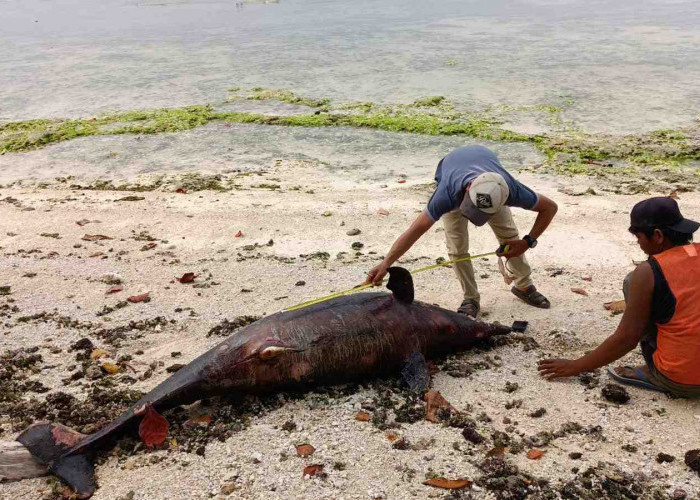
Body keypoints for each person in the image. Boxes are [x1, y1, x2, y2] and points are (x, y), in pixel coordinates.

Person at [364, 145, 558, 318]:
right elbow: (415, 230)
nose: (474, 218)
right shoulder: (446, 194)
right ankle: (470, 298)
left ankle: (523, 286)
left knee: (509, 237)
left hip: (488, 177)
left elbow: (550, 207)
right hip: (453, 175)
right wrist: (386, 263)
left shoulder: (512, 190)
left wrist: (527, 242)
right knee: (457, 248)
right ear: (467, 191)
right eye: (473, 209)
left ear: (505, 200)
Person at [538, 197, 700, 398]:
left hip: (684, 381)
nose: (639, 244)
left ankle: (656, 372)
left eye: (639, 237)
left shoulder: (648, 271)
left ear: (657, 236)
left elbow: (626, 339)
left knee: (632, 282)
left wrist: (575, 366)